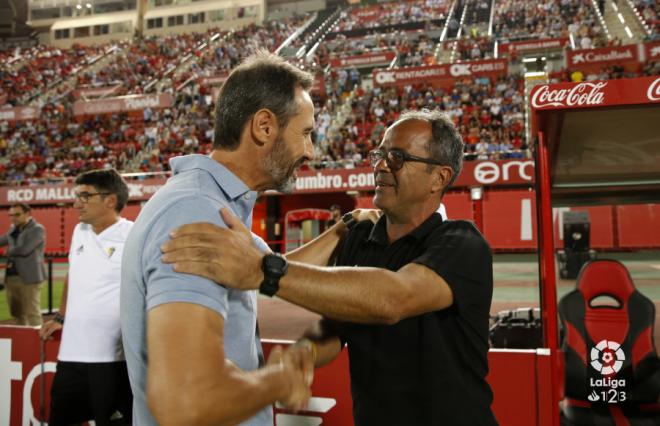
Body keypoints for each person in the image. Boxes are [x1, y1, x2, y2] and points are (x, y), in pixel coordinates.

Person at [161, 110, 498, 425]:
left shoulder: (462, 243)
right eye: (378, 155)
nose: (380, 166)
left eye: (396, 158)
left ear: (439, 177)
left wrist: (265, 269)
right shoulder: (361, 238)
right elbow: (338, 328)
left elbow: (394, 299)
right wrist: (301, 357)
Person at [120, 51, 316, 426]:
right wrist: (278, 381)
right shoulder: (197, 210)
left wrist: (345, 229)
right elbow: (183, 398)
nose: (310, 150)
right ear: (263, 126)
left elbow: (276, 268)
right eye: (305, 133)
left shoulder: (213, 202)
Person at [39, 169, 134, 426]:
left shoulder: (134, 236)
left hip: (113, 360)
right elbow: (74, 273)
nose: (76, 202)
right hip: (70, 357)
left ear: (110, 200)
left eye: (84, 195)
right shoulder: (79, 231)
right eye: (76, 195)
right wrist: (61, 316)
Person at [0, 203, 46, 326]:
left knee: (32, 312)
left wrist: (8, 251)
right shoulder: (13, 229)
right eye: (11, 215)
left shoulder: (37, 229)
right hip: (11, 277)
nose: (13, 218)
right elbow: (2, 240)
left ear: (27, 214)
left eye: (17, 214)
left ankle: (38, 343)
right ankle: (22, 341)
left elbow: (25, 249)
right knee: (17, 313)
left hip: (30, 277)